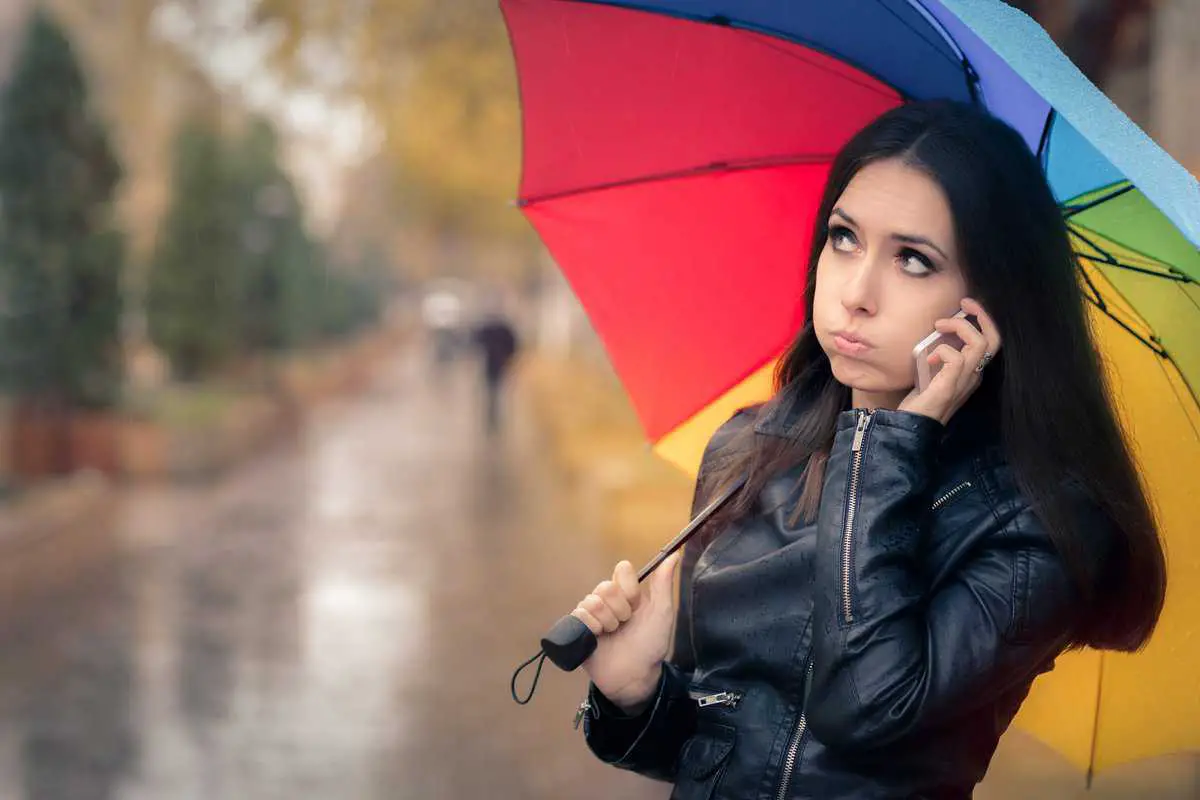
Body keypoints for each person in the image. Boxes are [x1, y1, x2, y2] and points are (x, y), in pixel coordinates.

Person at [569, 101, 1167, 799]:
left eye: (914, 260)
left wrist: (887, 443)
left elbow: (865, 707)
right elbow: (728, 749)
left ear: (990, 306)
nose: (855, 293)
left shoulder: (1037, 524)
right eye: (844, 238)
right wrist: (635, 696)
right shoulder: (750, 449)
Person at [472, 311, 520, 433]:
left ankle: (492, 413)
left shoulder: (489, 330)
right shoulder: (504, 330)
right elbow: (513, 346)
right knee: (495, 390)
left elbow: (477, 341)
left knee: (492, 390)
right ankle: (494, 413)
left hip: (492, 363)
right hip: (500, 363)